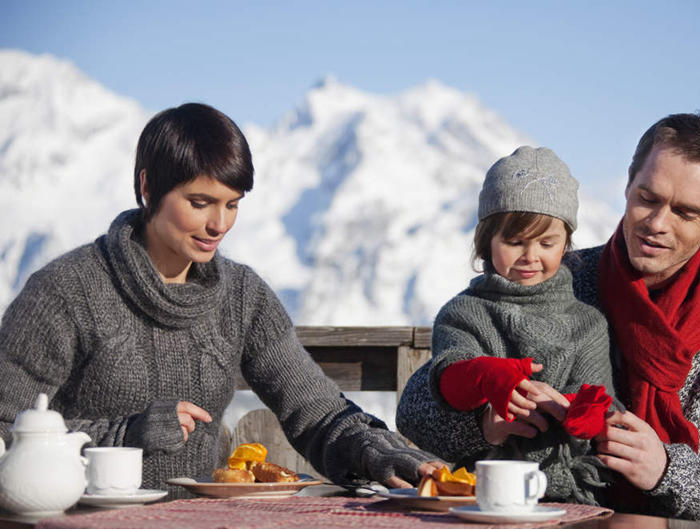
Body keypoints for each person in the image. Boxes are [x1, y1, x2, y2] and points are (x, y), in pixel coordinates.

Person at [396, 113, 700, 529]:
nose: (657, 224)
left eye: (686, 212)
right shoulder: (557, 278)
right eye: (648, 198)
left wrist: (667, 469)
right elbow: (417, 407)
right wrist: (484, 424)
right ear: (628, 183)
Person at [0, 103, 440, 491]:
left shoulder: (242, 296)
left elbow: (316, 411)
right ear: (149, 187)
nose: (219, 224)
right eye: (199, 202)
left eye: (232, 204)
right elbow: (5, 430)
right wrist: (126, 434)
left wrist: (376, 451)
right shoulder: (64, 291)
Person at [397, 146, 616, 504]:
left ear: (567, 243)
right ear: (487, 242)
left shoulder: (587, 323)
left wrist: (577, 413)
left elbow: (600, 402)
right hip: (480, 491)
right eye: (514, 242)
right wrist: (482, 376)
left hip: (569, 495)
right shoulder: (463, 314)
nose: (530, 256)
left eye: (547, 242)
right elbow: (448, 378)